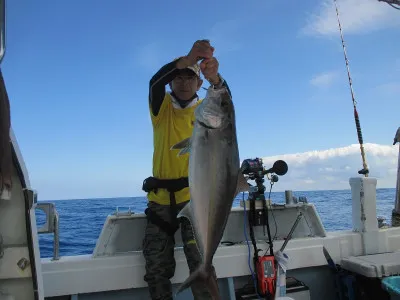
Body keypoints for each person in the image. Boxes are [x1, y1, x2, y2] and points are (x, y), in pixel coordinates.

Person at [141, 40, 232, 300]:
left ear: (199, 84)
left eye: (189, 78)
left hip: (196, 201)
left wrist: (216, 78)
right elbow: (154, 83)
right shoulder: (161, 110)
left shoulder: (208, 111)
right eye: (178, 78)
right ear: (171, 83)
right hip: (159, 202)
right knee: (156, 270)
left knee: (201, 264)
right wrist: (187, 59)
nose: (183, 82)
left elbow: (226, 105)